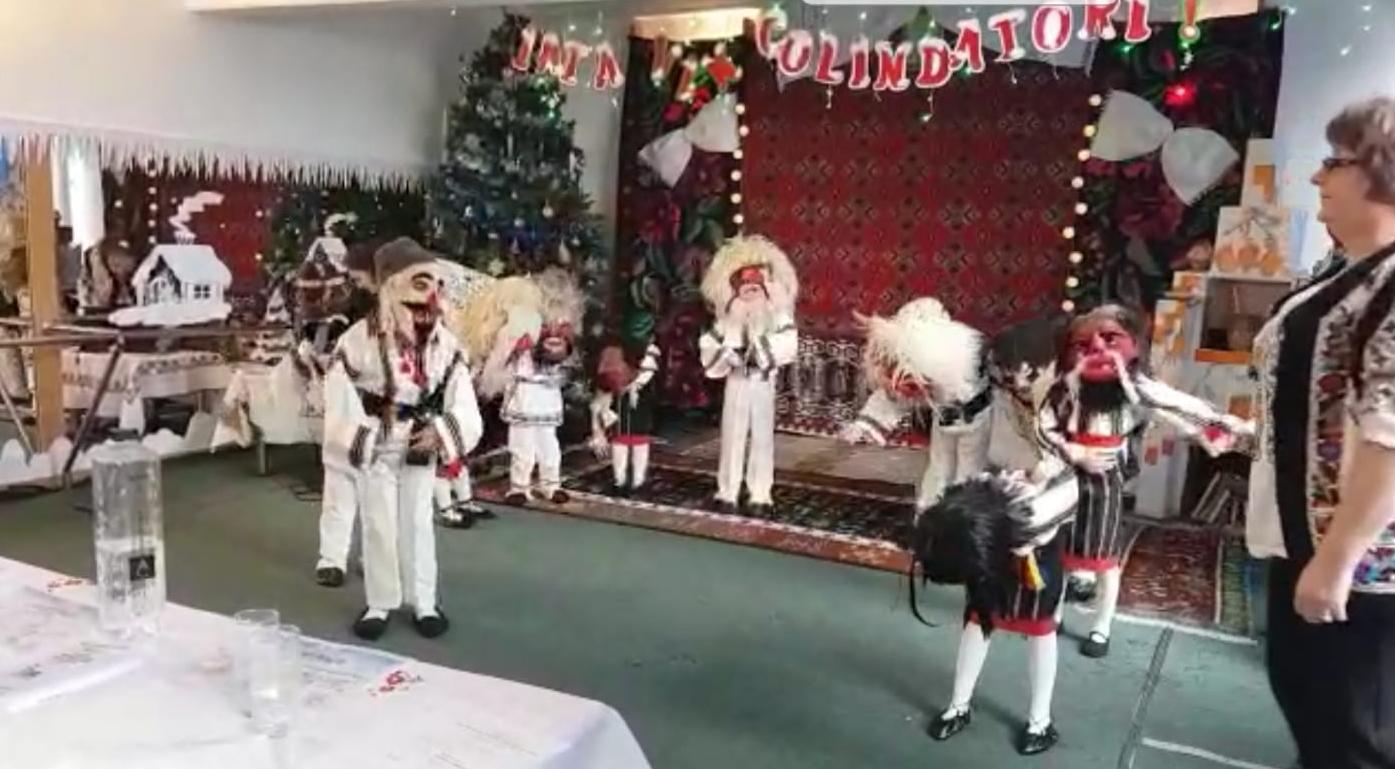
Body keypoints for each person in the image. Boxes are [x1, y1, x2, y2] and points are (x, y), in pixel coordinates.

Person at [1247, 96, 1395, 768]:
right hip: (1305, 542)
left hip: (1357, 572)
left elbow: (1390, 438)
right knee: (1313, 714)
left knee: (1348, 736)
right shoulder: (1348, 271)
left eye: (1333, 162)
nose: (1316, 176)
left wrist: (1338, 559)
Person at [1037, 305, 1245, 658]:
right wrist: (1073, 452)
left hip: (1107, 480)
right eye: (1083, 343)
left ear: (1132, 344)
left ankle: (1101, 626)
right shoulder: (1064, 389)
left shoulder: (1135, 387)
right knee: (1064, 549)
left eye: (1110, 338)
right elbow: (1045, 426)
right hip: (1068, 476)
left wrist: (1223, 428)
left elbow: (1175, 406)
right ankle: (1054, 613)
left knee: (1105, 558)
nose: (1098, 348)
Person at [322, 238, 482, 640]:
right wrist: (362, 436)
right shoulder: (356, 340)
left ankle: (424, 602)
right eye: (419, 284)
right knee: (378, 524)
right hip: (376, 446)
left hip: (419, 444)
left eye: (436, 286)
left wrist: (442, 432)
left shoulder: (446, 344)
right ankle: (379, 602)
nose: (430, 297)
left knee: (418, 523)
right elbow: (337, 393)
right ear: (391, 287)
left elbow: (463, 398)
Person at [839, 297, 992, 514]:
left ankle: (964, 518)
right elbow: (892, 396)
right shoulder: (915, 364)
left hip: (978, 422)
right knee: (940, 468)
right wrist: (866, 424)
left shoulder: (960, 356)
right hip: (944, 422)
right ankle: (929, 513)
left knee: (969, 469)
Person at [697, 235, 799, 516]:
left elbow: (788, 342)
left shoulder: (777, 318)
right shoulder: (728, 320)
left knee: (762, 438)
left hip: (762, 383)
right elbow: (709, 344)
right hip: (736, 382)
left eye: (756, 287)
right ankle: (727, 491)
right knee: (732, 435)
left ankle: (760, 494)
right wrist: (725, 354)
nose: (750, 293)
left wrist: (759, 353)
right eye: (745, 288)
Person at [314, 242, 378, 588]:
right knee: (339, 488)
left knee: (376, 495)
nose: (354, 286)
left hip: (379, 419)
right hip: (345, 412)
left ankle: (374, 556)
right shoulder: (351, 326)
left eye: (358, 279)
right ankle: (332, 557)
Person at [589, 336, 662, 493]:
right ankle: (621, 480)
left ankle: (636, 481)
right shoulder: (615, 358)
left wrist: (634, 385)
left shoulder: (647, 360)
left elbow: (650, 372)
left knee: (638, 441)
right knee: (621, 441)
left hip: (638, 406)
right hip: (620, 406)